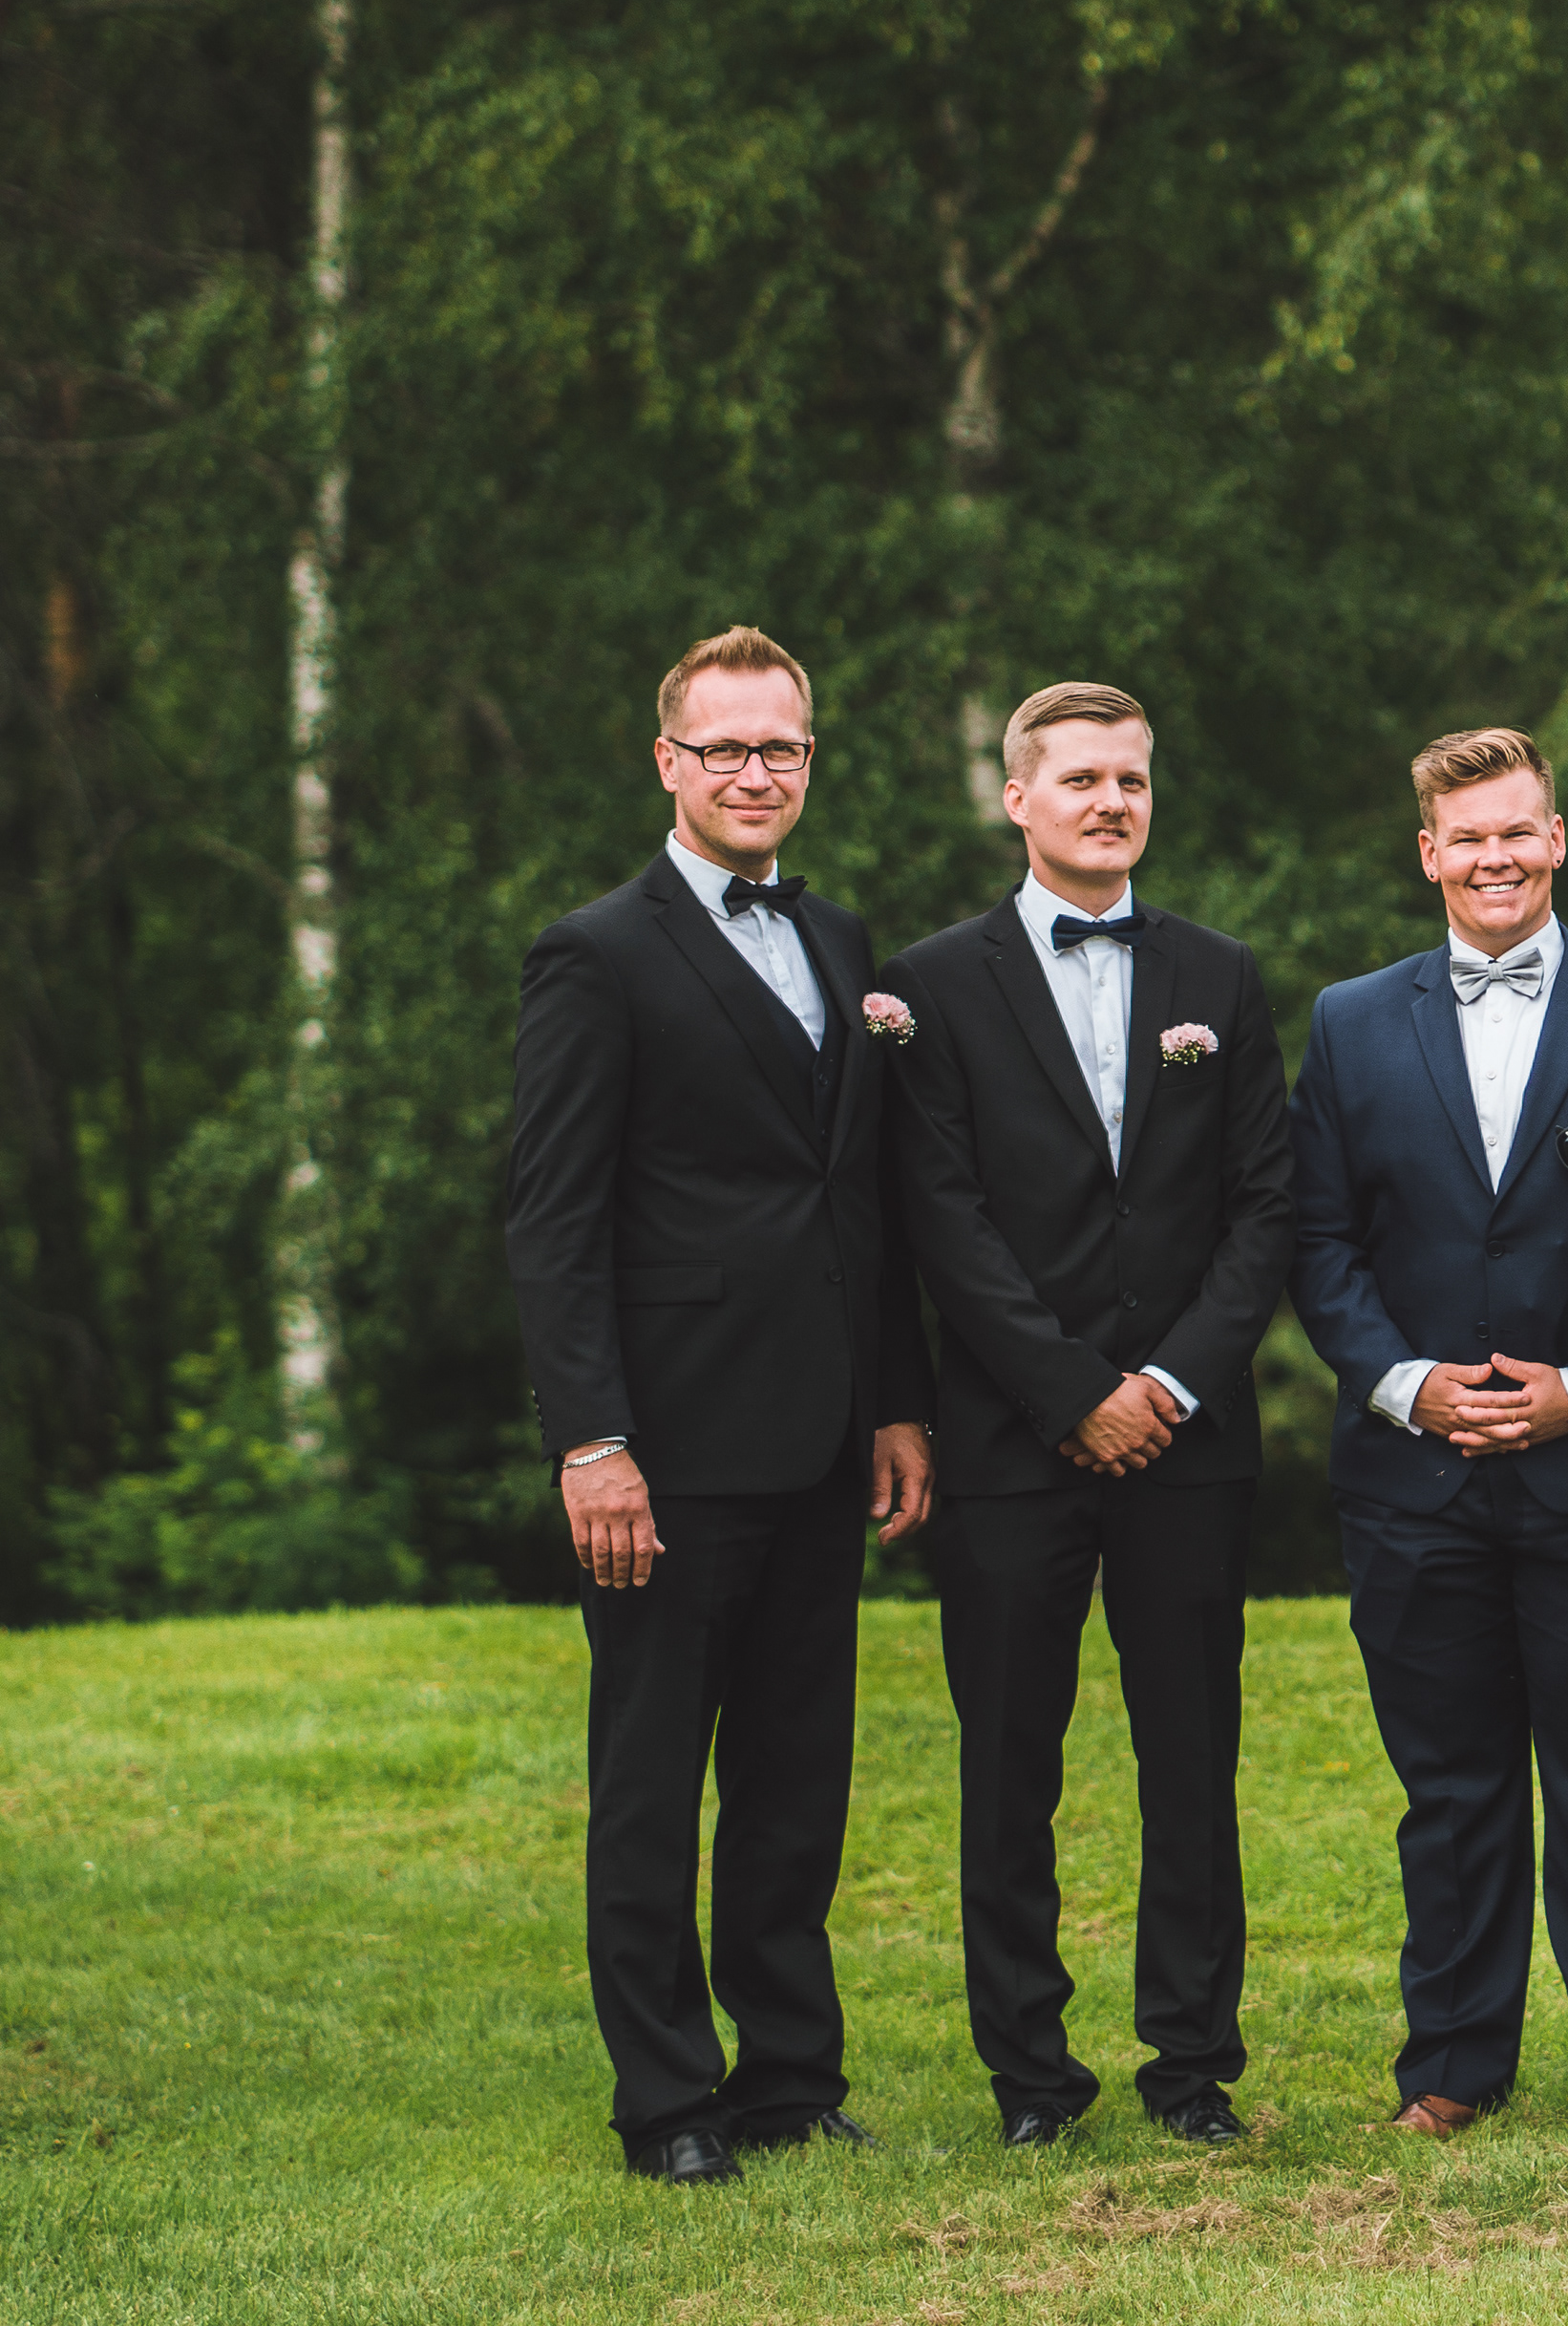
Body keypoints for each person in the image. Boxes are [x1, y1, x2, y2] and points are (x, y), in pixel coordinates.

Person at [503, 625, 936, 2186]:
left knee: (795, 1777)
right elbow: (553, 1218)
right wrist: (592, 1439)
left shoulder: (841, 939)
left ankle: (789, 2080)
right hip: (667, 1446)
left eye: (782, 748)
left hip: (823, 1435)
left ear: (810, 761)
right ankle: (669, 2102)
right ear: (668, 763)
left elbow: (861, 1195)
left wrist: (897, 1402)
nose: (756, 773)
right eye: (726, 748)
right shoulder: (595, 954)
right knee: (651, 1784)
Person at [878, 681, 1295, 2150]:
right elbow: (940, 1216)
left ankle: (1192, 2066)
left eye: (1131, 779)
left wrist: (1165, 1387)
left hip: (1187, 1443)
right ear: (1020, 799)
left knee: (1192, 1761)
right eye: (1081, 780)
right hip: (1012, 1443)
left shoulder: (1219, 976)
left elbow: (1264, 1206)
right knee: (1009, 1767)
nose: (1111, 802)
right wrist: (1069, 1392)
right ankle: (1031, 2079)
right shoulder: (933, 985)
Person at [1287, 728, 1568, 2140]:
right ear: (1429, 855)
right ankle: (1453, 2065)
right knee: (1449, 1785)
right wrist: (1406, 1383)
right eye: (1468, 837)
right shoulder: (1350, 1019)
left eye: (1519, 831)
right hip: (1415, 1475)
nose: (1496, 858)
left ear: (1557, 839)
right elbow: (1319, 1238)